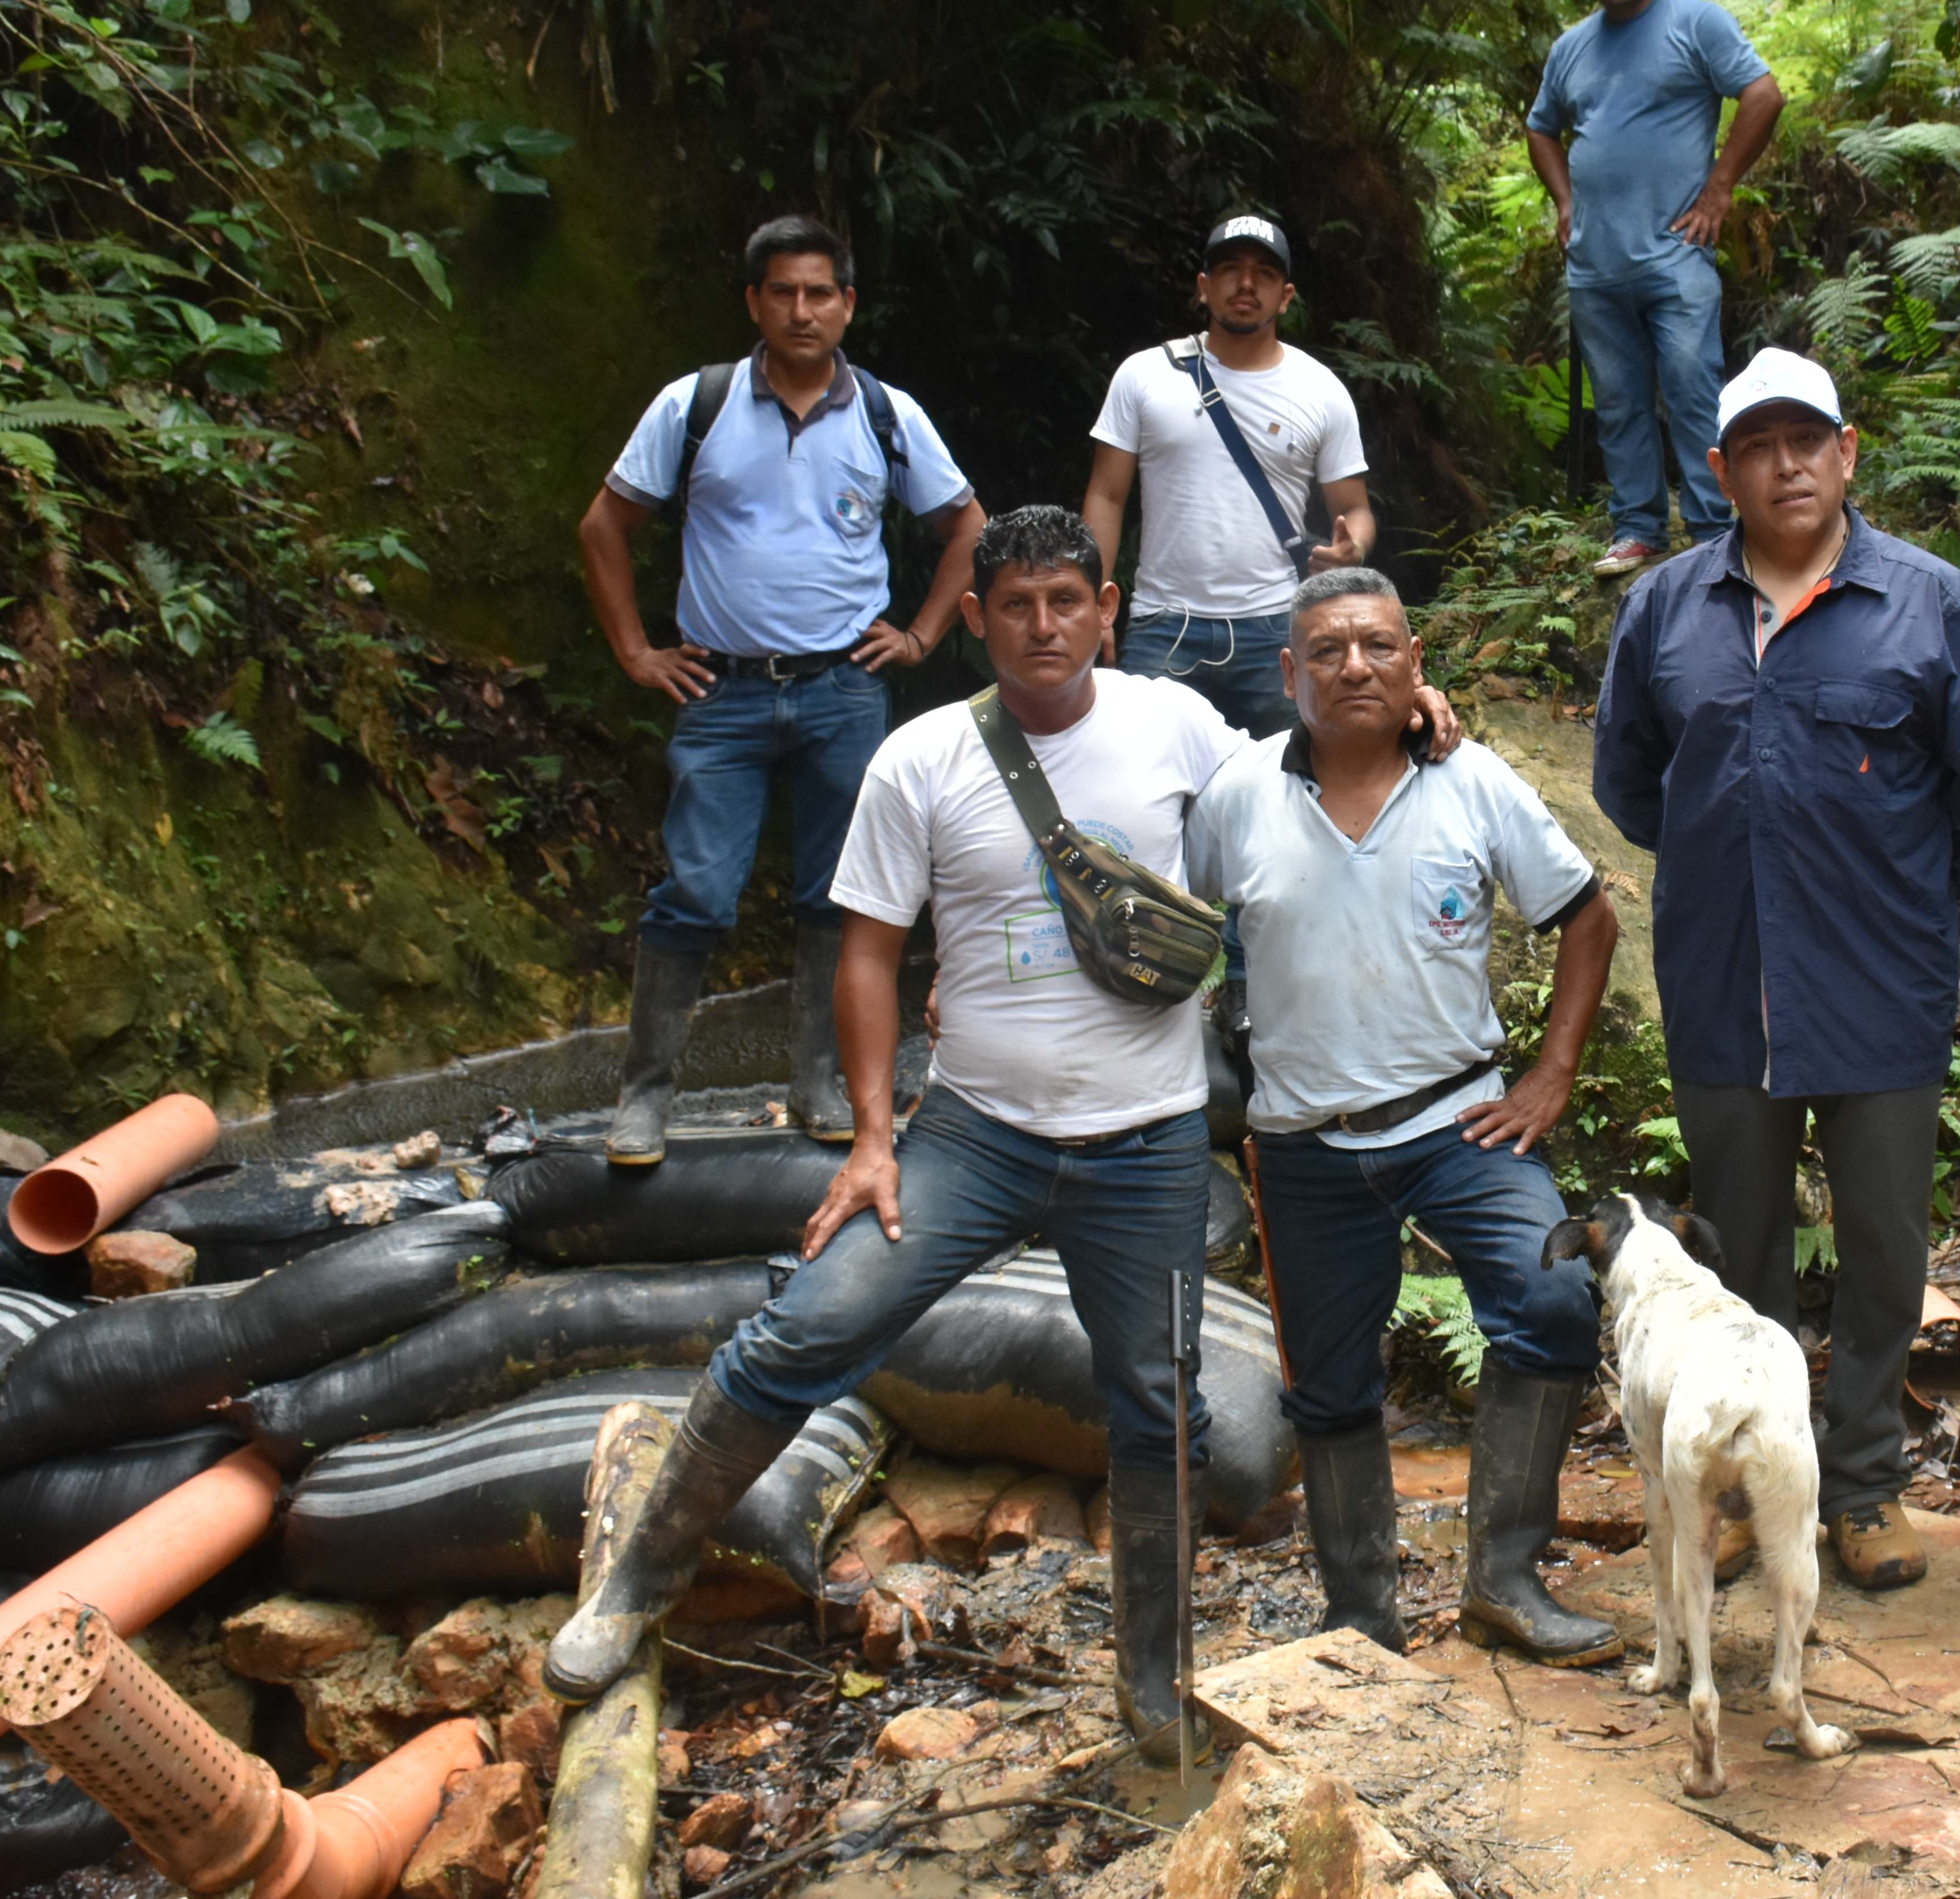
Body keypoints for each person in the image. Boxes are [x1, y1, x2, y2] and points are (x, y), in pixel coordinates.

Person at [541, 507, 1244, 1761]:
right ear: (970, 616)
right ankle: (635, 1583)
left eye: (1066, 602)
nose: (1042, 627)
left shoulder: (1177, 725)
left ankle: (1152, 1668)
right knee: (802, 1326)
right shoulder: (921, 758)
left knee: (1158, 1404)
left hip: (1148, 1142)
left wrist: (1414, 721)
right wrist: (872, 1138)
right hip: (975, 1133)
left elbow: (1289, 809)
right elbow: (865, 952)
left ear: (1108, 606)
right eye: (1015, 604)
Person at [1592, 348, 1960, 1592]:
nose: (1786, 464)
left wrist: (1888, 884)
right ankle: (1747, 1490)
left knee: (1887, 1246)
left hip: (1881, 978)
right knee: (1740, 1258)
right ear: (1724, 468)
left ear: (1848, 453)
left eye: (1809, 440)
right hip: (1723, 978)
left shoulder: (1932, 603)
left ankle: (1863, 1486)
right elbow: (1635, 784)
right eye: (1757, 446)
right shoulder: (1667, 610)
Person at [1186, 567, 1625, 1667]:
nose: (1354, 668)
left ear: (1416, 660)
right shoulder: (1239, 795)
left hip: (1460, 1121)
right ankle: (1360, 1618)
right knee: (1327, 1388)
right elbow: (1174, 927)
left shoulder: (1472, 782)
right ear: (1289, 674)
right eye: (1327, 651)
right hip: (1300, 1147)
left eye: (1379, 646)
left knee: (1555, 1297)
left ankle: (1506, 1578)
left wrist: (1551, 1076)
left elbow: (1588, 919)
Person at [578, 215, 986, 1165]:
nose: (802, 311)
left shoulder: (887, 414)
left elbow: (967, 526)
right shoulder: (698, 404)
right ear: (755, 302)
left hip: (843, 689)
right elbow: (605, 526)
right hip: (719, 693)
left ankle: (820, 1081)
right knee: (696, 893)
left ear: (848, 304)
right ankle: (644, 1098)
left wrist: (923, 633)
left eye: (820, 293)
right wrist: (638, 651)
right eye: (783, 293)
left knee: (836, 897)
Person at [1525, 0, 1786, 579]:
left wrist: (1720, 188)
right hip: (1595, 261)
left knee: (1693, 386)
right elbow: (1541, 127)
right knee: (1616, 398)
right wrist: (1564, 202)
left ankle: (1712, 532)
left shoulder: (1695, 24)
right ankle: (1638, 527)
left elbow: (1763, 95)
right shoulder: (1572, 47)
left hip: (1676, 253)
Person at [1083, 214, 1373, 739]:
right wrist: (1091, 603)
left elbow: (1354, 509)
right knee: (1150, 788)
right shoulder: (1144, 376)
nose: (1245, 284)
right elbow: (1107, 495)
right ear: (1203, 287)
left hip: (1277, 629)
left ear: (1285, 296)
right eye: (1230, 269)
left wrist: (1351, 550)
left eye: (1263, 274)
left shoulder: (1321, 389)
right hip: (1164, 626)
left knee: (1290, 786)